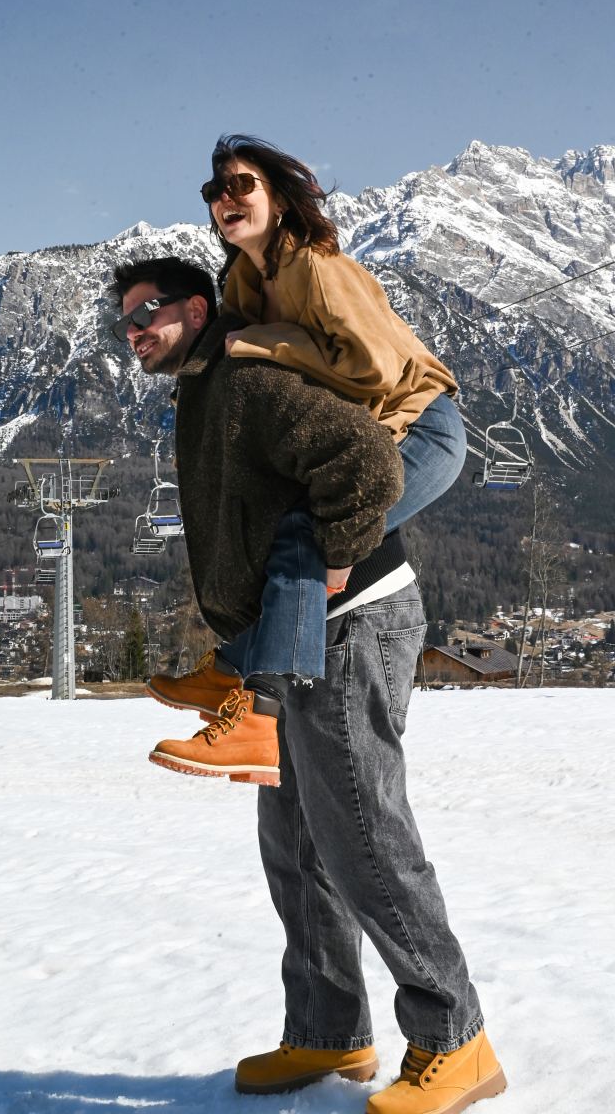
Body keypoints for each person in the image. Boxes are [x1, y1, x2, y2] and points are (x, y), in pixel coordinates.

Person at [108, 256, 506, 1114]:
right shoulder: (206, 384)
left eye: (148, 312)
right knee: (294, 840)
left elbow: (365, 464)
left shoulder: (247, 374)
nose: (134, 331)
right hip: (294, 638)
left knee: (360, 832)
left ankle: (456, 1038)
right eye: (125, 321)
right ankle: (329, 1032)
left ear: (197, 308)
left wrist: (328, 560)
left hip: (354, 620)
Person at [145, 135, 467, 778]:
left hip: (423, 427)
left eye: (242, 185)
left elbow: (374, 370)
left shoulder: (317, 267)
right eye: (214, 191)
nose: (225, 199)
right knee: (280, 527)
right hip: (375, 430)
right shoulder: (243, 281)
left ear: (281, 200)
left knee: (307, 533)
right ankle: (232, 668)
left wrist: (270, 342)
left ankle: (259, 714)